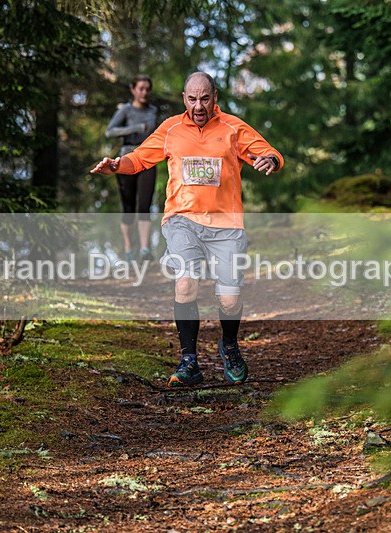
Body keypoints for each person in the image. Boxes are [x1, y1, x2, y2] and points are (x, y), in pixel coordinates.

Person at [91, 71, 283, 388]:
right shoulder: (170, 129)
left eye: (204, 99)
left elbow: (268, 152)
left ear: (215, 98)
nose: (198, 106)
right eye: (192, 99)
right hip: (182, 220)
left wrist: (271, 161)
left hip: (226, 224)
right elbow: (139, 159)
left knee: (230, 299)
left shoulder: (233, 128)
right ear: (184, 99)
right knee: (185, 284)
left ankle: (230, 345)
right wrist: (117, 165)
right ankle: (189, 360)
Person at [105, 74, 158, 262]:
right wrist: (135, 128)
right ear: (133, 89)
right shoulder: (126, 110)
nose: (144, 92)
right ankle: (129, 247)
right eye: (141, 88)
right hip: (126, 160)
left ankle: (144, 250)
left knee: (145, 205)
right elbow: (110, 131)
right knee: (128, 207)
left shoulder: (153, 111)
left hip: (148, 159)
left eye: (147, 89)